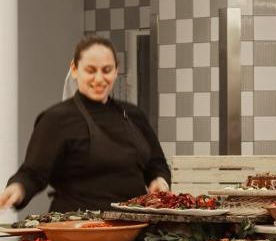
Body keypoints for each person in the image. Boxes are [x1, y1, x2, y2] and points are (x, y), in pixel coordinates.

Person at [0, 36, 171, 213]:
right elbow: (33, 172)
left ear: (116, 71)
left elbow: (156, 163)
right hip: (77, 224)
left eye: (106, 70)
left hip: (134, 223)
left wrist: (159, 181)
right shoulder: (56, 119)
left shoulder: (134, 115)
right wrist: (18, 188)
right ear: (74, 69)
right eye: (91, 70)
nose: (99, 78)